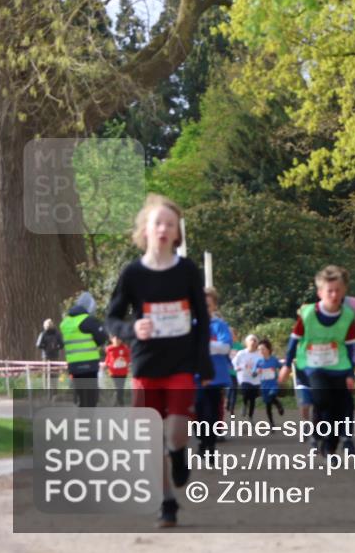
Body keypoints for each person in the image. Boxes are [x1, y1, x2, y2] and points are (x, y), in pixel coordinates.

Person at [105, 194, 212, 527]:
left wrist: (203, 362)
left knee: (176, 433)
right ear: (145, 230)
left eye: (170, 224)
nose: (164, 229)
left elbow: (202, 318)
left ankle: (179, 453)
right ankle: (167, 502)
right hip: (146, 364)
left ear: (177, 233)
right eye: (158, 223)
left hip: (180, 363)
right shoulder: (133, 273)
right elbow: (112, 318)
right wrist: (132, 328)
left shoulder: (187, 271)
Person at [279, 265, 355, 456]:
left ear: (344, 291)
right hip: (312, 365)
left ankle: (330, 447)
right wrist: (286, 366)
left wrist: (350, 374)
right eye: (329, 291)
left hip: (338, 366)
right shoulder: (307, 314)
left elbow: (351, 349)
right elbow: (294, 341)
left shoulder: (348, 317)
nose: (333, 294)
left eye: (338, 290)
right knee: (323, 399)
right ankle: (318, 433)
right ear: (320, 292)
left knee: (340, 406)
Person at [196, 288, 233, 455]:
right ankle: (203, 440)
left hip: (215, 376)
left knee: (211, 413)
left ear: (214, 306)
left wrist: (202, 346)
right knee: (198, 412)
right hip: (194, 376)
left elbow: (225, 347)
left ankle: (209, 445)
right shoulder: (191, 325)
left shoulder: (219, 325)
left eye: (207, 305)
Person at [61, 292, 108, 408]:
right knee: (91, 399)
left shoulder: (65, 322)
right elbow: (102, 338)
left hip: (74, 366)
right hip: (88, 366)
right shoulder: (88, 320)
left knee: (82, 398)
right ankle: (86, 424)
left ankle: (82, 423)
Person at [232, 334, 262, 422]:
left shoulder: (259, 354)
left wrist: (259, 371)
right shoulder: (241, 353)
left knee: (252, 398)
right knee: (245, 392)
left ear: (257, 343)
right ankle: (245, 404)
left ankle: (250, 416)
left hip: (255, 379)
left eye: (255, 340)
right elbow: (234, 362)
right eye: (251, 340)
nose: (253, 342)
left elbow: (263, 364)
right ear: (246, 342)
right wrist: (237, 367)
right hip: (244, 377)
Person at [257, 339, 285, 426]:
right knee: (268, 405)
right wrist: (256, 372)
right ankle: (271, 423)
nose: (261, 351)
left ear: (268, 349)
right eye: (259, 349)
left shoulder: (274, 360)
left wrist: (281, 376)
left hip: (273, 384)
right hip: (264, 386)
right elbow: (254, 372)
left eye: (263, 349)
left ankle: (278, 404)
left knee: (272, 395)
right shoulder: (259, 362)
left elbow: (282, 367)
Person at [104, 336, 131, 406]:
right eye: (116, 339)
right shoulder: (109, 349)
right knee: (117, 387)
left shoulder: (125, 348)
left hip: (123, 372)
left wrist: (125, 359)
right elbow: (108, 358)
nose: (117, 340)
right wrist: (106, 365)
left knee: (120, 387)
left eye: (119, 339)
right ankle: (119, 402)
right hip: (113, 372)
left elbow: (130, 358)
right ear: (111, 339)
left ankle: (118, 401)